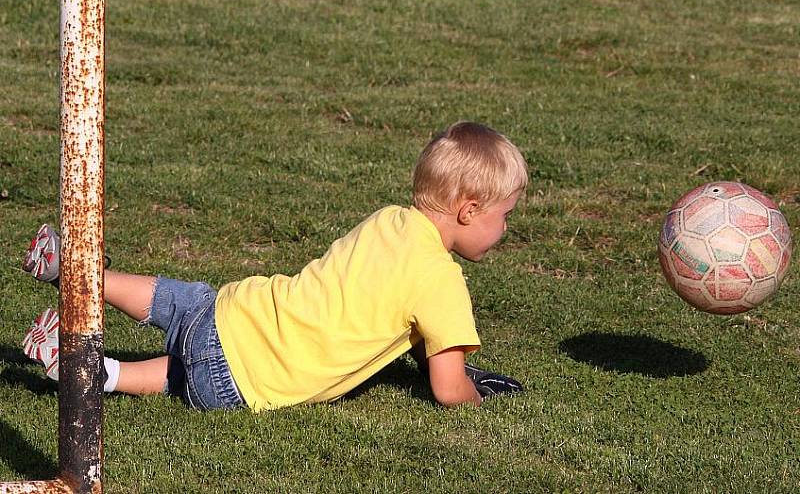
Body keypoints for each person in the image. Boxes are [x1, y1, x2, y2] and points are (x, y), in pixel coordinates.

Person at [21, 121, 527, 411]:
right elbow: (447, 387)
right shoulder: (441, 279)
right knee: (185, 377)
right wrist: (476, 400)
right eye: (504, 216)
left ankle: (76, 270)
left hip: (237, 312)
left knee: (181, 303)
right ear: (469, 209)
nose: (506, 229)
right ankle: (92, 370)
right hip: (240, 379)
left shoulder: (390, 221)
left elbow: (395, 313)